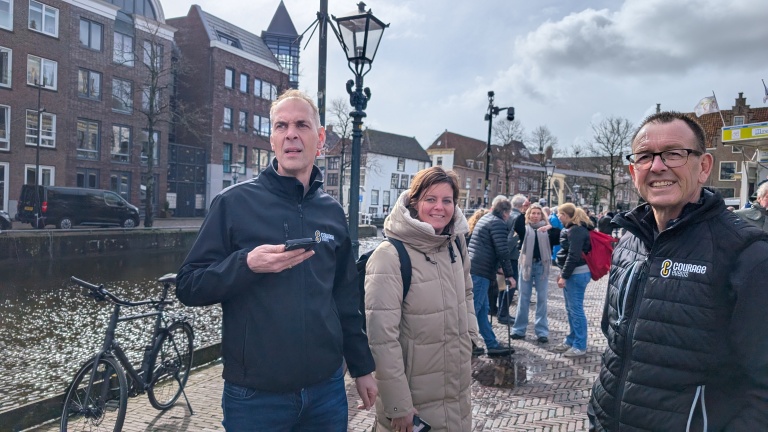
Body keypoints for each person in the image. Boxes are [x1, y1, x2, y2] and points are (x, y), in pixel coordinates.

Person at [176, 89, 377, 431]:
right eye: (281, 126)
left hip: (325, 391)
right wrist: (245, 264)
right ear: (272, 139)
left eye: (302, 125)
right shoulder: (233, 204)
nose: (291, 134)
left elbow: (345, 298)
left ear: (321, 137)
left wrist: (361, 366)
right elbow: (189, 285)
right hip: (255, 398)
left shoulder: (332, 213)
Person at [588, 111, 768, 431]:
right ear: (633, 171)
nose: (658, 166)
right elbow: (615, 340)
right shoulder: (629, 241)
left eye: (674, 154)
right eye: (645, 156)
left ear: (703, 167)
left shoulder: (748, 254)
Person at [365, 166, 478, 432]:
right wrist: (397, 405)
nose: (439, 207)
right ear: (415, 203)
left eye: (447, 200)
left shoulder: (455, 244)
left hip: (456, 390)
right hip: (414, 400)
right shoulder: (390, 255)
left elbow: (467, 293)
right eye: (430, 199)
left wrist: (470, 338)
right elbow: (381, 338)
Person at [468, 197, 516, 356]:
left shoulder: (486, 218)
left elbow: (488, 246)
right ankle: (466, 345)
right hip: (481, 271)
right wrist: (510, 274)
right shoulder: (498, 223)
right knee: (473, 310)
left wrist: (499, 268)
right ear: (506, 212)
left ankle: (491, 344)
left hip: (476, 268)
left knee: (482, 310)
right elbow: (502, 251)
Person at [554, 202, 592, 358]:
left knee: (576, 310)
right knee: (571, 309)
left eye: (559, 214)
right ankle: (572, 340)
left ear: (565, 215)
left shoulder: (576, 231)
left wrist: (564, 275)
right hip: (574, 273)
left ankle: (580, 345)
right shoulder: (574, 229)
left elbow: (574, 256)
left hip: (576, 274)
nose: (557, 216)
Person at [510, 203, 552, 343]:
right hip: (526, 265)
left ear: (542, 215)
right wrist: (523, 211)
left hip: (541, 265)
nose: (535, 216)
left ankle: (542, 332)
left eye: (537, 213)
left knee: (542, 299)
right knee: (524, 297)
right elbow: (517, 224)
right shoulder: (524, 229)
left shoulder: (547, 230)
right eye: (532, 213)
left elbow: (560, 234)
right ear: (529, 215)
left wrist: (550, 227)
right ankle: (519, 329)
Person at [497, 194, 528, 324]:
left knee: (502, 286)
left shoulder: (507, 216)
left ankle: (499, 311)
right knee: (511, 285)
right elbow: (511, 239)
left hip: (504, 255)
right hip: (511, 256)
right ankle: (503, 314)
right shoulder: (518, 218)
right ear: (522, 206)